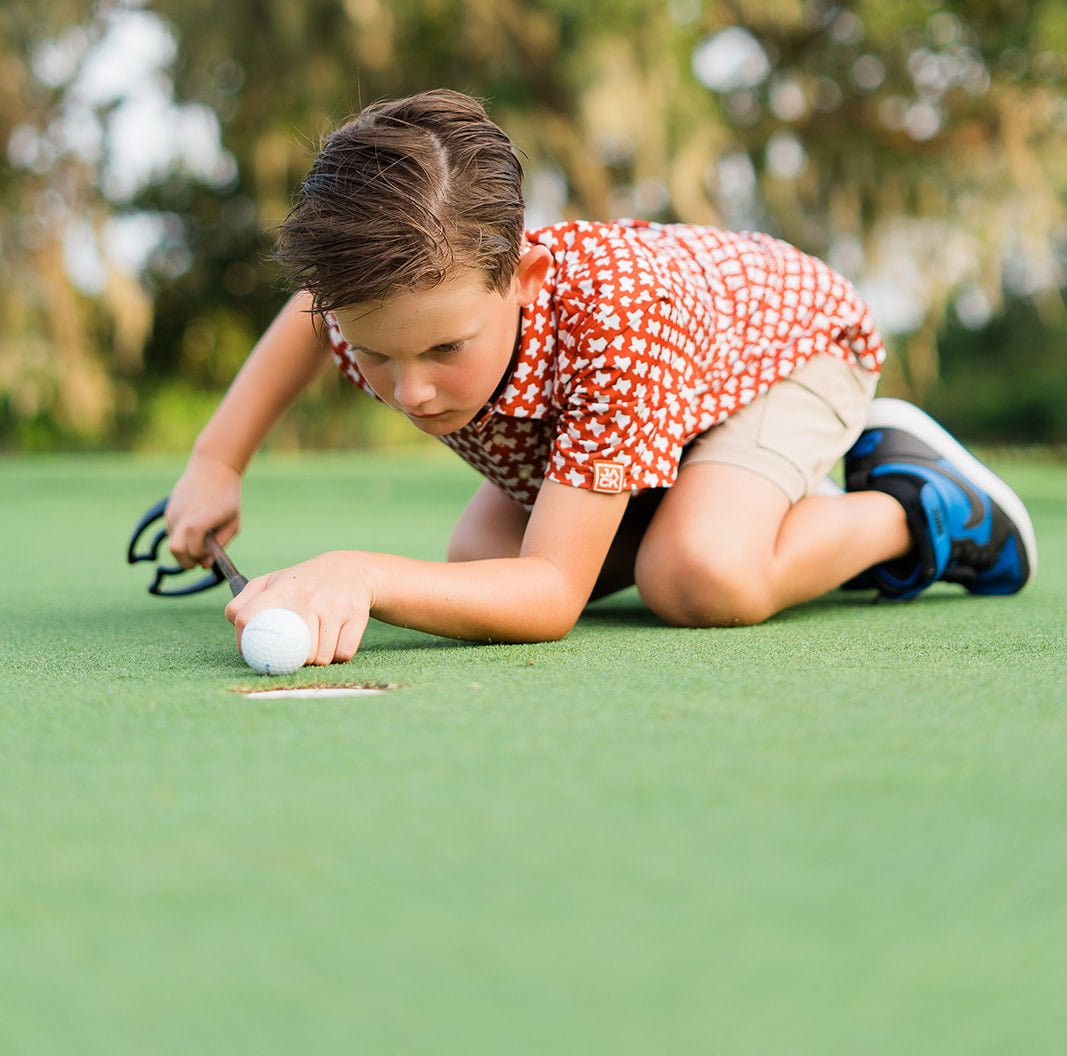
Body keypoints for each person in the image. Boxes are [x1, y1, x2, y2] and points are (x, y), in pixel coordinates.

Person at [165, 89, 1037, 667]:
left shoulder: (617, 324)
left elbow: (549, 597)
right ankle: (703, 497)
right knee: (477, 563)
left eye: (442, 352)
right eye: (376, 354)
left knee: (695, 577)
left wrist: (361, 572)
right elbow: (305, 317)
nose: (411, 392)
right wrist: (216, 461)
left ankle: (918, 504)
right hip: (654, 400)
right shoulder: (374, 297)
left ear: (525, 280)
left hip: (787, 351)